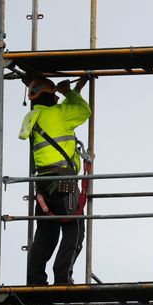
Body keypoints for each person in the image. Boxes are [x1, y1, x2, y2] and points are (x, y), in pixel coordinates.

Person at [19, 75, 91, 286]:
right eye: (56, 96)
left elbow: (63, 114)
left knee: (46, 233)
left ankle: (35, 280)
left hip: (42, 184)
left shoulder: (32, 117)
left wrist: (70, 93)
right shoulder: (59, 114)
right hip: (63, 181)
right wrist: (69, 92)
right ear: (51, 96)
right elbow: (83, 111)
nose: (58, 99)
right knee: (75, 230)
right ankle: (62, 277)